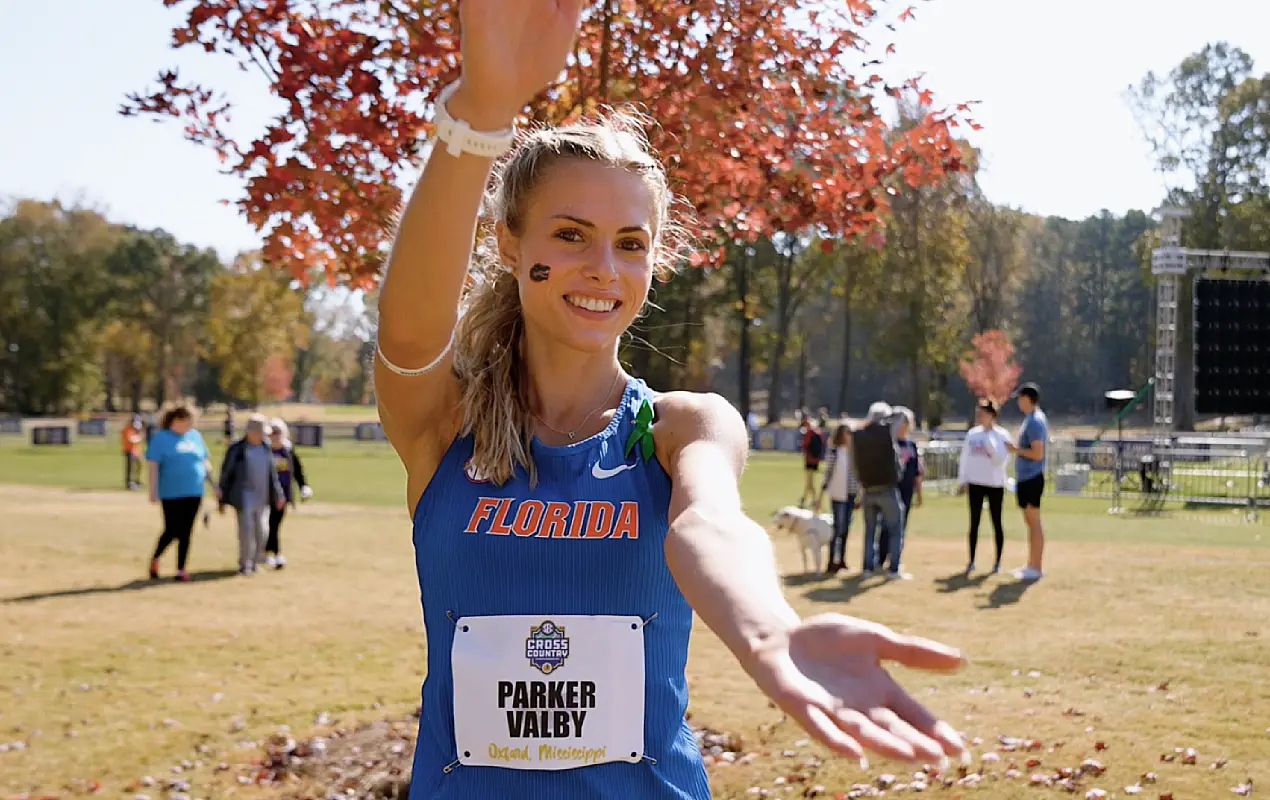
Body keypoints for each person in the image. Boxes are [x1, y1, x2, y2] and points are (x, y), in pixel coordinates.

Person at [371, 4, 968, 796]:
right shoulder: (445, 426)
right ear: (510, 245)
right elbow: (411, 333)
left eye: (630, 244)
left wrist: (769, 635)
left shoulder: (680, 426)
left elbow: (710, 525)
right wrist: (482, 113)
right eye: (571, 235)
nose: (603, 270)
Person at [145, 406, 215, 581]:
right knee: (172, 529)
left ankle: (181, 568)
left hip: (194, 490)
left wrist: (215, 485)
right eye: (188, 420)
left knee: (186, 531)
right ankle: (156, 558)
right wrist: (152, 490)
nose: (191, 424)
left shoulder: (195, 436)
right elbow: (153, 466)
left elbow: (205, 462)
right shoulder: (161, 438)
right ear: (177, 420)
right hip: (171, 492)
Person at [218, 414, 285, 576]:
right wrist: (221, 492)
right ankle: (244, 564)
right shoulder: (238, 449)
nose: (263, 436)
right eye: (261, 432)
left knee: (262, 531)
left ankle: (255, 562)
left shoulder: (265, 447)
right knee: (246, 532)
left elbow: (272, 473)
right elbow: (226, 472)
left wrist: (278, 493)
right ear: (251, 432)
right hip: (244, 496)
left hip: (263, 496)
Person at [852, 403, 910, 579]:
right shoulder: (886, 432)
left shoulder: (858, 435)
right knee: (895, 528)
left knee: (869, 531)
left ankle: (867, 568)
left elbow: (855, 464)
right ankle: (893, 568)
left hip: (868, 489)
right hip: (887, 489)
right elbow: (900, 416)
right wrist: (890, 415)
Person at [956, 399, 1011, 574]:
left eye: (983, 413)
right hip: (975, 483)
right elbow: (965, 458)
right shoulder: (972, 434)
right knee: (974, 522)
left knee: (996, 521)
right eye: (978, 413)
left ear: (992, 415)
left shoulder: (1002, 435)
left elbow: (1000, 460)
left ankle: (997, 562)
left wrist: (990, 446)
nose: (980, 417)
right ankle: (971, 560)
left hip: (995, 484)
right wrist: (962, 480)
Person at [1006, 382, 1048, 581]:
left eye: (1020, 398)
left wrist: (1016, 450)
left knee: (1034, 522)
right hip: (1026, 477)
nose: (1018, 403)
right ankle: (1031, 563)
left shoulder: (1035, 422)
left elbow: (1038, 453)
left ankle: (1036, 566)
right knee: (1030, 522)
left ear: (1028, 399)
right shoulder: (1030, 420)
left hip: (1032, 477)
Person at [876, 407, 922, 571]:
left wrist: (919, 493)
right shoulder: (890, 443)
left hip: (907, 490)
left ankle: (895, 559)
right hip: (890, 489)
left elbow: (916, 471)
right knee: (886, 526)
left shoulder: (911, 445)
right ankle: (879, 559)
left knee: (901, 526)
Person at [265, 418, 312, 570]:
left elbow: (298, 471)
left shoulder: (288, 450)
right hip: (266, 494)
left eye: (278, 432)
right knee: (268, 525)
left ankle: (270, 553)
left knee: (274, 525)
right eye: (272, 432)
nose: (275, 435)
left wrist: (303, 486)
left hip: (284, 495)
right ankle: (274, 553)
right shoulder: (264, 450)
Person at [814, 422, 860, 575]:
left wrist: (859, 494)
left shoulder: (853, 453)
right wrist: (820, 495)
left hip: (850, 493)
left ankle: (842, 560)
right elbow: (828, 474)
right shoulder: (834, 452)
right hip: (837, 493)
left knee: (846, 528)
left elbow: (856, 476)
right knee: (837, 528)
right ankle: (831, 560)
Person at [799, 415, 826, 507]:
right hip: (816, 460)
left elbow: (804, 445)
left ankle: (813, 500)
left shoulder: (809, 433)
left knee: (809, 482)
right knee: (809, 481)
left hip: (809, 459)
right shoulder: (817, 431)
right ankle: (805, 499)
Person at [121, 415, 144, 490]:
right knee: (130, 468)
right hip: (129, 450)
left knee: (139, 465)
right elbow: (131, 439)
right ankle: (129, 483)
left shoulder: (134, 429)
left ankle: (136, 481)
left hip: (135, 451)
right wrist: (140, 437)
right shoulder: (127, 429)